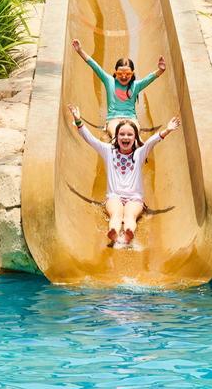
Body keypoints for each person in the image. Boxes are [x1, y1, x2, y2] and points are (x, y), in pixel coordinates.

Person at [68, 103, 181, 246]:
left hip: (135, 198)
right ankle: (114, 232)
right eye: (122, 134)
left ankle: (128, 232)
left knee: (129, 216)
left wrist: (167, 130)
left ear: (135, 138)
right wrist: (78, 121)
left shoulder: (139, 154)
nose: (125, 137)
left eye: (129, 134)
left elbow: (151, 142)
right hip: (114, 196)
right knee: (116, 214)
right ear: (116, 136)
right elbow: (91, 140)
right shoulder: (109, 151)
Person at [71, 38, 167, 137]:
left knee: (134, 135)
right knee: (116, 134)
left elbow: (149, 78)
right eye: (120, 73)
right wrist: (80, 51)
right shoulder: (110, 81)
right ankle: (114, 145)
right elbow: (95, 66)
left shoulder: (135, 85)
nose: (124, 76)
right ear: (115, 72)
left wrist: (160, 70)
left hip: (131, 118)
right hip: (113, 119)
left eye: (128, 73)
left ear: (132, 73)